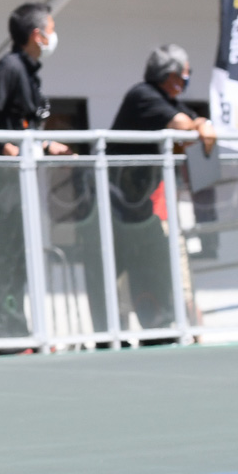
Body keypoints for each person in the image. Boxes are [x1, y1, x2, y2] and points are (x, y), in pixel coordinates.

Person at [97, 43, 214, 335]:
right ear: (171, 75)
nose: (186, 83)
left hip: (138, 205)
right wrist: (200, 126)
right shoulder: (144, 96)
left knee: (151, 268)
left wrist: (202, 126)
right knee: (114, 275)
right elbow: (185, 128)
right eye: (185, 76)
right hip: (115, 203)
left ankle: (158, 330)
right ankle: (111, 336)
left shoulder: (167, 101)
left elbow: (193, 128)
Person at [0, 2, 72, 344]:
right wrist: (10, 149)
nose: (53, 35)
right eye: (51, 27)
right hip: (3, 186)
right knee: (6, 257)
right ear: (37, 34)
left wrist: (46, 146)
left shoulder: (29, 71)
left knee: (20, 257)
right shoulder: (8, 68)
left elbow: (23, 126)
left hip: (21, 185)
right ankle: (6, 335)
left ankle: (19, 331)